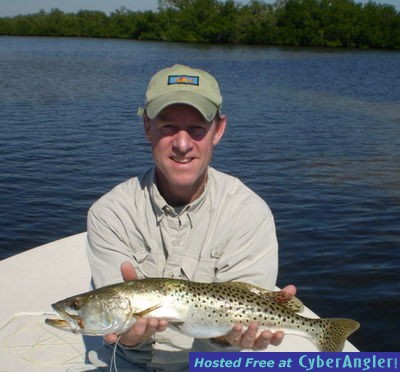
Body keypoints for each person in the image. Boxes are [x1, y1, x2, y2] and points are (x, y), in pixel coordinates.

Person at [86, 64, 296, 371]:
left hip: (215, 362)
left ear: (218, 130)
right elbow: (116, 329)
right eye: (168, 126)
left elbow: (230, 338)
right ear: (147, 127)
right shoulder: (110, 213)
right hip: (130, 360)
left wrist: (229, 338)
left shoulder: (249, 213)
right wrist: (128, 336)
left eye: (197, 128)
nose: (182, 145)